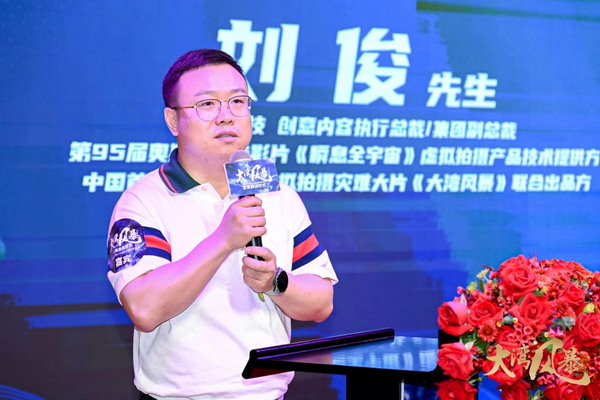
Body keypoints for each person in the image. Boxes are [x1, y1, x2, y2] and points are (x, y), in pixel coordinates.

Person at [106, 48, 338, 400]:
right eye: (207, 104)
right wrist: (223, 240)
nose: (226, 117)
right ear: (173, 121)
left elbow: (321, 304)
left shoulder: (278, 195)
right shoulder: (144, 200)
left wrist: (276, 282)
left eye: (238, 102)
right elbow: (144, 309)